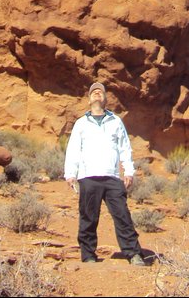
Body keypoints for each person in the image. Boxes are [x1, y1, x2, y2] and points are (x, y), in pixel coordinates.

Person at [64, 81, 145, 265]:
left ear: (106, 98)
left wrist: (129, 171)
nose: (97, 94)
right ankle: (88, 255)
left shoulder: (115, 121)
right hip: (88, 177)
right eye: (94, 92)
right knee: (88, 217)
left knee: (122, 215)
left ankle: (133, 253)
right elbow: (74, 150)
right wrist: (70, 173)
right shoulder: (81, 124)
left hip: (112, 177)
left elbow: (125, 147)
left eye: (100, 92)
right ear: (89, 99)